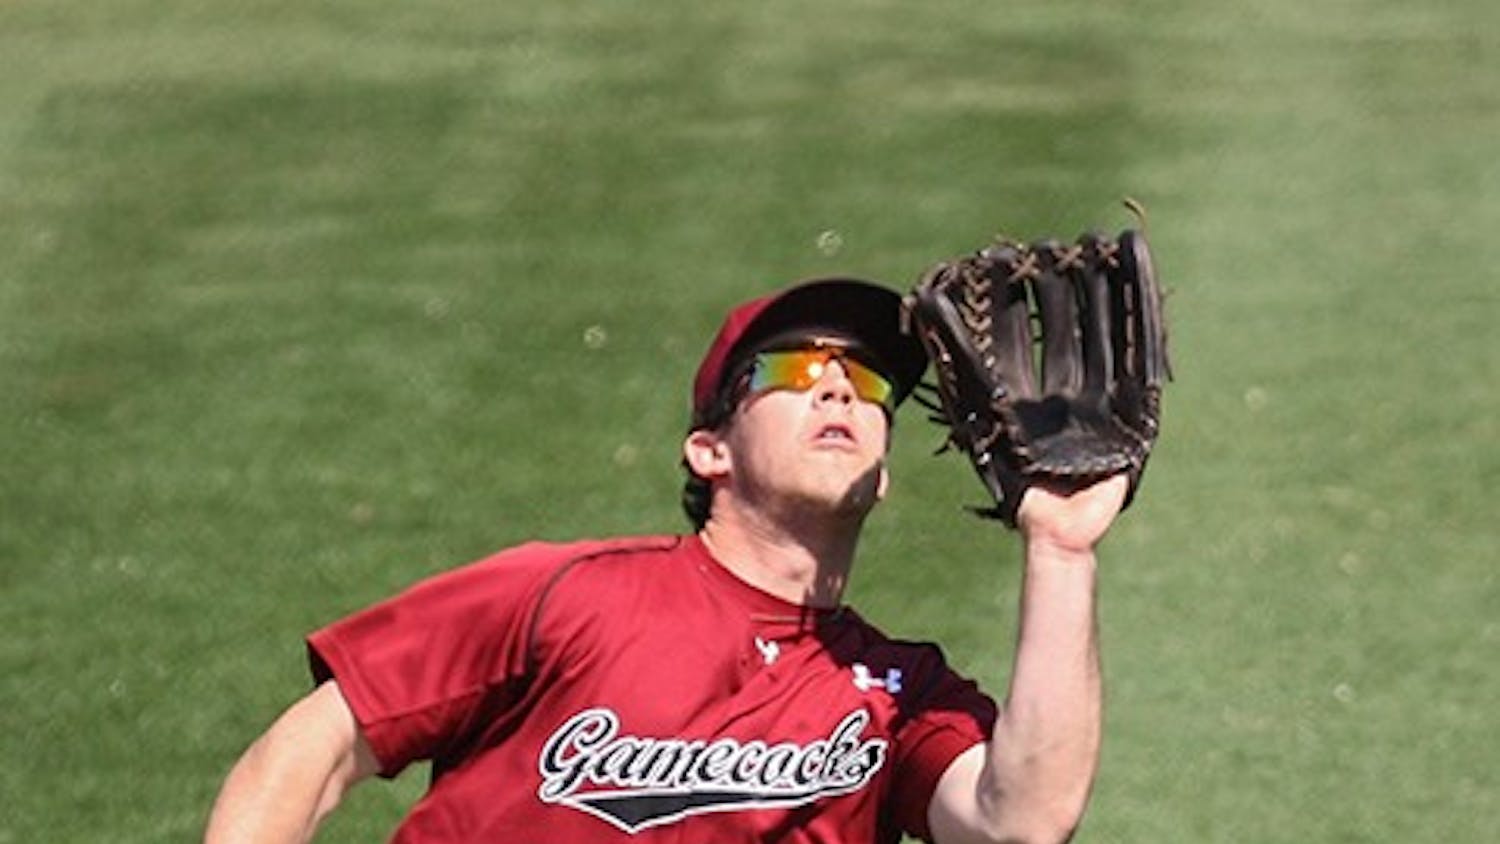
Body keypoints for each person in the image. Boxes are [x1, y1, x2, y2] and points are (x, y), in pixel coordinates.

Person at [204, 276, 1128, 844]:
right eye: (795, 373)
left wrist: (1060, 548)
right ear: (708, 450)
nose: (841, 385)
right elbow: (315, 747)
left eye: (870, 381)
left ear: (885, 474)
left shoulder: (899, 692)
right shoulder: (565, 595)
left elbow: (1020, 824)